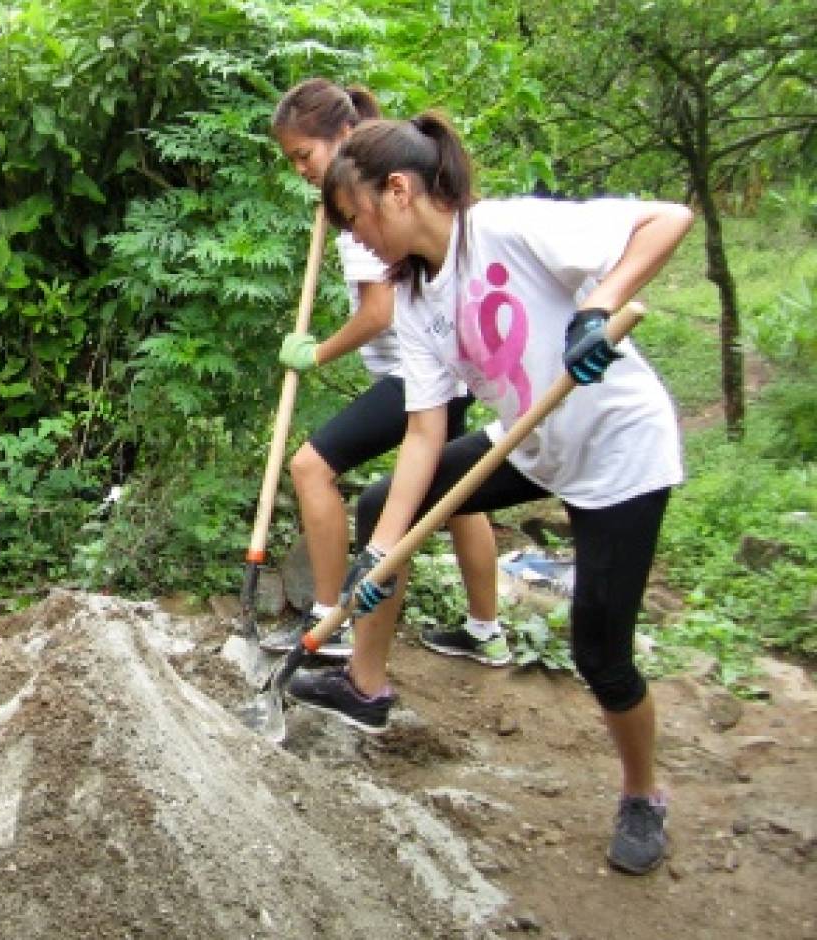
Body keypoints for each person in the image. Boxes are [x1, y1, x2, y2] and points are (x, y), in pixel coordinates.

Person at [287, 113, 692, 875]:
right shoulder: (415, 298)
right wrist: (377, 558)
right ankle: (366, 687)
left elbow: (668, 219)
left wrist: (596, 309)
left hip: (619, 455)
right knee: (382, 511)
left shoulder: (505, 230)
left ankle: (644, 793)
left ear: (399, 191)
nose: (358, 239)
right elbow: (424, 434)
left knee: (600, 653)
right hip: (534, 446)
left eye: (357, 218)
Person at [262, 79, 509, 663]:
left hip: (416, 377)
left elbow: (380, 311)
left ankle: (330, 619)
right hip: (445, 374)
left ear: (344, 136)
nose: (300, 168)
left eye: (305, 154)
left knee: (310, 466)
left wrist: (316, 352)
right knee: (454, 494)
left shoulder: (366, 206)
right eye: (292, 159)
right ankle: (484, 630)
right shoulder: (371, 190)